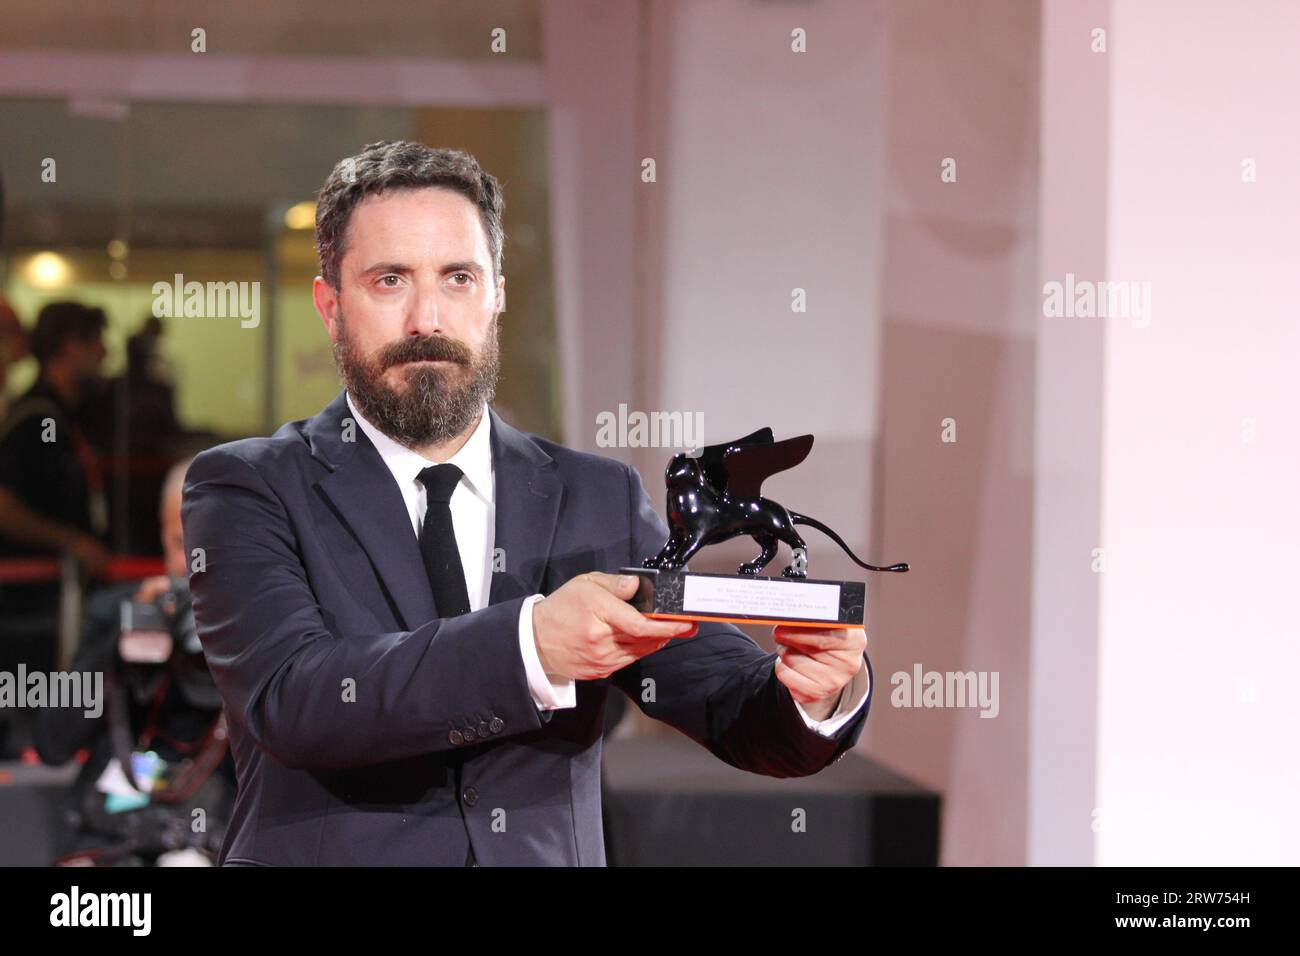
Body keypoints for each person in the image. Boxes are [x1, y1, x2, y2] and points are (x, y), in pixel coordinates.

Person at [181, 141, 874, 866]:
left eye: (457, 278)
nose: (428, 317)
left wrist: (815, 692)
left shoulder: (596, 495)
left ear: (497, 294)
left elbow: (719, 698)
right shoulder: (245, 487)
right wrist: (531, 646)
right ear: (331, 305)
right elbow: (296, 702)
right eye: (390, 280)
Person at [35, 457, 236, 866]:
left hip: (206, 825)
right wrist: (120, 643)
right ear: (162, 534)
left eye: (208, 547)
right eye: (182, 545)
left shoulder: (256, 622)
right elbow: (52, 744)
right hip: (111, 824)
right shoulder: (116, 610)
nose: (194, 566)